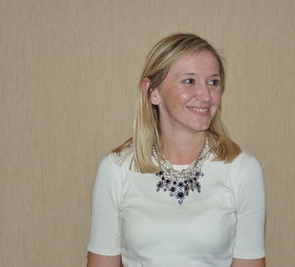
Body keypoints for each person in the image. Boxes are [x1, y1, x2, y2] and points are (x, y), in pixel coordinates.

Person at [87, 33, 266, 267]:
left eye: (213, 82)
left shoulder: (242, 169)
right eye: (189, 81)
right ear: (153, 92)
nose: (205, 95)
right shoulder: (117, 168)